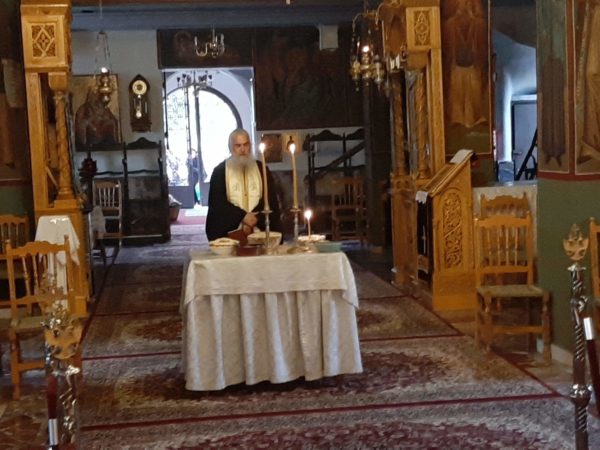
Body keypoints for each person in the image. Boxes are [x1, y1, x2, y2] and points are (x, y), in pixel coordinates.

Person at [205, 128, 282, 241]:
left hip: (259, 228)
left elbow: (270, 200)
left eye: (246, 145)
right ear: (230, 148)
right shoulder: (220, 172)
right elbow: (218, 204)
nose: (242, 149)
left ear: (250, 146)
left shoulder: (261, 169)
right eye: (238, 145)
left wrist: (256, 218)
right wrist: (242, 216)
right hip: (231, 232)